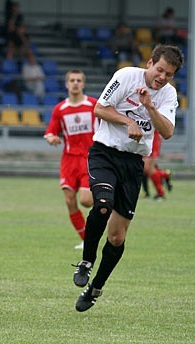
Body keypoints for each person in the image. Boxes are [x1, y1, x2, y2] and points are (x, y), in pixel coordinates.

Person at [72, 44, 183, 312]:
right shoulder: (125, 76)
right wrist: (127, 121)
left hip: (133, 163)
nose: (162, 77)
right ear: (150, 63)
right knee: (101, 203)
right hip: (105, 153)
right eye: (159, 70)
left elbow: (167, 131)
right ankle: (86, 262)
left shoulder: (168, 94)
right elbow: (100, 109)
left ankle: (96, 287)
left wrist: (149, 107)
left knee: (117, 238)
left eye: (168, 74)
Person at [44, 69, 98, 250]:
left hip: (90, 158)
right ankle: (86, 239)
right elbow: (51, 131)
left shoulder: (93, 105)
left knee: (86, 201)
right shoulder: (60, 109)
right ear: (67, 84)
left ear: (83, 84)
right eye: (72, 80)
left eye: (79, 80)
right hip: (69, 159)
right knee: (69, 200)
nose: (75, 83)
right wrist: (52, 138)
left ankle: (107, 202)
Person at [142, 130, 172, 199]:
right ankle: (165, 174)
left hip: (152, 137)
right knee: (146, 169)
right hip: (144, 137)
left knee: (148, 168)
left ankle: (160, 193)